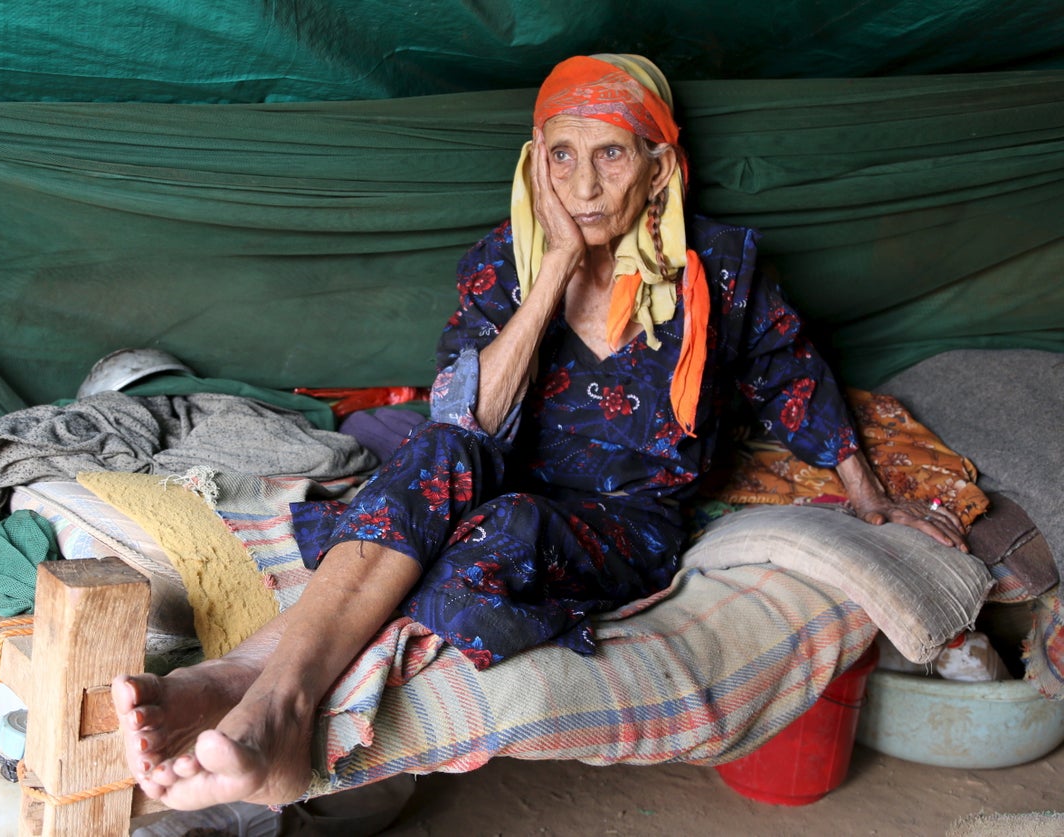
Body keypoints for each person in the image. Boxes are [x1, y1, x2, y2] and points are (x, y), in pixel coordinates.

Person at [111, 53, 968, 810]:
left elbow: (794, 373)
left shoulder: (721, 274)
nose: (584, 185)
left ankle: (257, 691)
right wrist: (554, 270)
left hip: (618, 522)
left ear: (660, 169)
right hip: (490, 470)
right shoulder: (502, 265)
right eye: (562, 155)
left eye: (611, 155)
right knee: (437, 452)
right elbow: (468, 419)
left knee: (490, 531)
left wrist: (870, 493)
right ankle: (249, 693)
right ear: (535, 165)